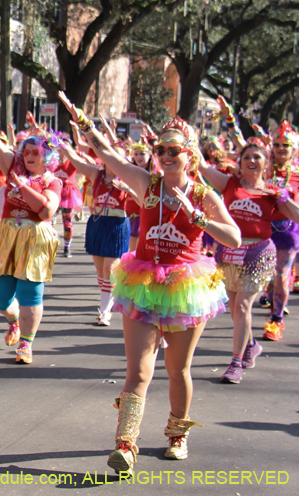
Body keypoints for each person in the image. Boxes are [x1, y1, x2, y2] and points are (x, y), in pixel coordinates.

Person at [58, 94, 240, 472]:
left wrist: (198, 218)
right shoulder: (147, 183)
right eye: (161, 148)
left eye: (173, 148)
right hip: (142, 281)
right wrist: (85, 122)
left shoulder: (204, 195)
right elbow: (110, 156)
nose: (165, 154)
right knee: (138, 371)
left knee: (178, 370)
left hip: (186, 287)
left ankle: (177, 434)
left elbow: (234, 238)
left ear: (190, 153)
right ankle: (126, 445)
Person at [0, 110, 62, 365]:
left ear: (46, 156)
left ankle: (26, 344)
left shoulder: (52, 181)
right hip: (7, 235)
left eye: (34, 153)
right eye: (26, 152)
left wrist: (23, 187)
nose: (28, 157)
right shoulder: (13, 165)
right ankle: (14, 322)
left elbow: (47, 210)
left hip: (35, 238)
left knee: (30, 294)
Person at [198, 138, 299, 383]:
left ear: (266, 163)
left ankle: (235, 363)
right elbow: (201, 166)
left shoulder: (273, 193)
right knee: (234, 309)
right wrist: (189, 138)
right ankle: (251, 344)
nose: (252, 161)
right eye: (246, 157)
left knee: (243, 306)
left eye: (257, 157)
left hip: (259, 253)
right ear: (239, 163)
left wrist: (285, 198)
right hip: (229, 252)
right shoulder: (230, 184)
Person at [59, 139, 131, 326]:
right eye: (110, 157)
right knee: (100, 271)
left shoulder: (128, 177)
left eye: (118, 158)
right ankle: (109, 299)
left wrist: (128, 189)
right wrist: (64, 147)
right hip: (98, 223)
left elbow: (142, 200)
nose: (114, 162)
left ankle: (104, 312)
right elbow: (76, 161)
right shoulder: (96, 174)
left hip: (117, 224)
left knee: (110, 269)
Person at [263, 121, 299, 341]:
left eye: (285, 145)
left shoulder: (297, 174)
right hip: (264, 231)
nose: (280, 148)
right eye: (277, 144)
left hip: (288, 232)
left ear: (293, 148)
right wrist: (231, 120)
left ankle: (277, 320)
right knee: (267, 278)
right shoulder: (262, 169)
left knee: (281, 276)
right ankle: (273, 306)